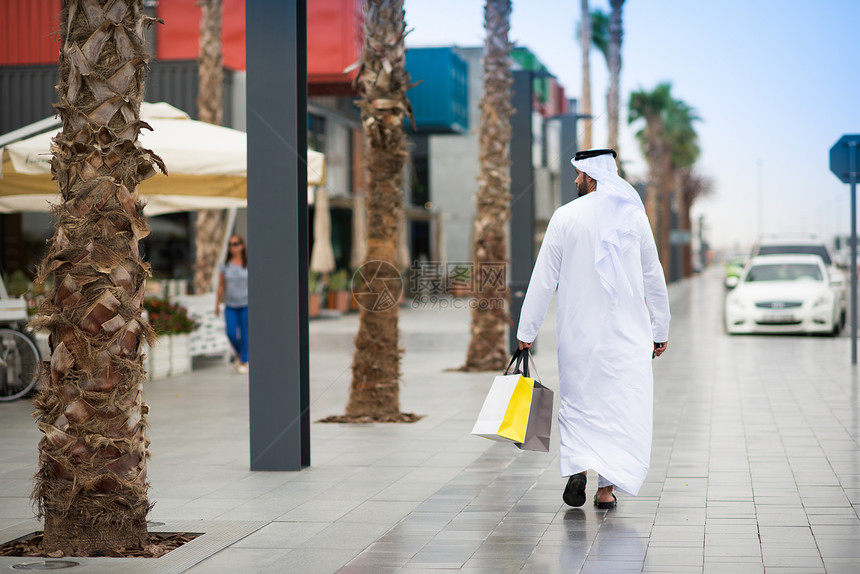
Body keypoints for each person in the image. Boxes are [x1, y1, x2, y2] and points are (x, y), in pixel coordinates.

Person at [516, 149, 670, 510]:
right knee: (619, 409)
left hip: (578, 337)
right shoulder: (635, 217)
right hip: (627, 338)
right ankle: (606, 490)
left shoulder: (565, 216)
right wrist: (659, 328)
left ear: (590, 175)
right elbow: (653, 275)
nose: (574, 181)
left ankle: (578, 470)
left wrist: (527, 330)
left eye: (578, 175)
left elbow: (543, 279)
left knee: (578, 405)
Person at [216, 234, 249, 374]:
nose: (232, 247)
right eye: (230, 244)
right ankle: (240, 353)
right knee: (231, 333)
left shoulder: (248, 263)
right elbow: (221, 286)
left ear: (241, 246)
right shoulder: (225, 265)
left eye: (235, 244)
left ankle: (244, 361)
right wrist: (217, 304)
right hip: (230, 305)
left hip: (246, 304)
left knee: (245, 334)